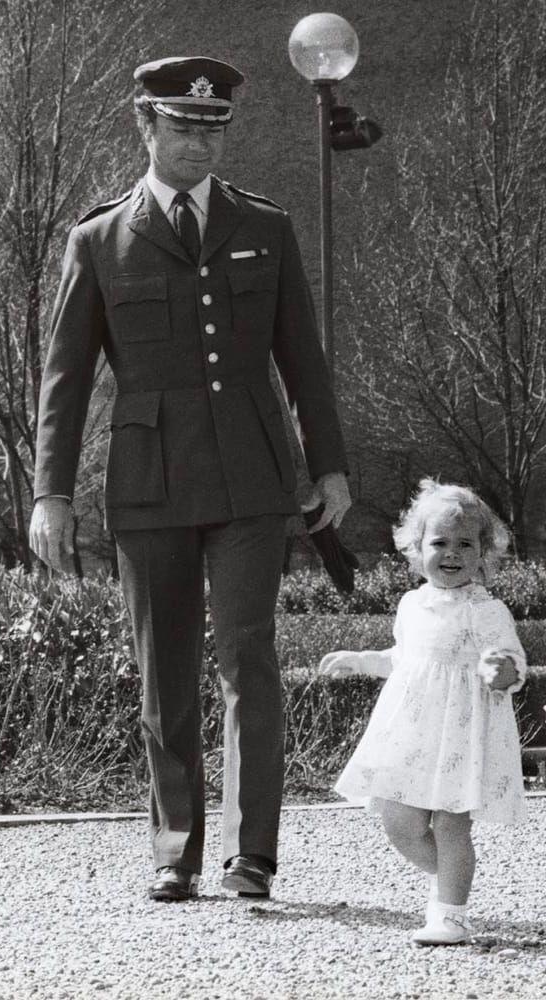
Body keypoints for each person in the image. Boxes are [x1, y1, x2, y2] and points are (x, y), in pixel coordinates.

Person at [29, 56, 351, 903]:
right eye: (183, 128)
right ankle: (176, 849)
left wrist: (331, 464)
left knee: (248, 655)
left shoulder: (265, 226)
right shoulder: (99, 239)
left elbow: (303, 360)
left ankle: (255, 856)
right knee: (162, 667)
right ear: (146, 126)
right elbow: (64, 378)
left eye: (213, 129)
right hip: (148, 477)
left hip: (252, 474)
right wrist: (49, 492)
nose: (200, 144)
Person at [322, 480, 527, 946]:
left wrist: (504, 669)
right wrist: (361, 659)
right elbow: (404, 659)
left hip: (462, 734)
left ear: (483, 554)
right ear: (416, 550)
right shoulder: (412, 604)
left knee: (453, 824)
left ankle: (452, 912)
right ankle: (450, 878)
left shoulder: (486, 610)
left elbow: (512, 660)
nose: (451, 553)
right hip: (413, 733)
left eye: (464, 544)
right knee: (399, 821)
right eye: (439, 543)